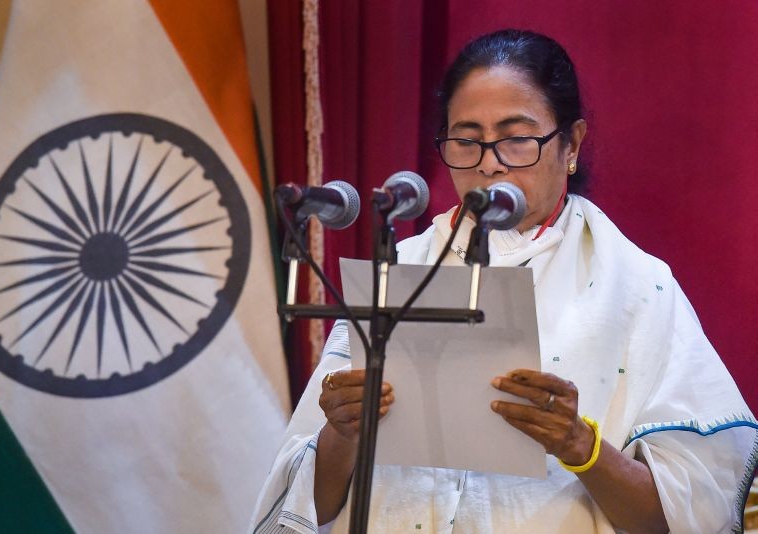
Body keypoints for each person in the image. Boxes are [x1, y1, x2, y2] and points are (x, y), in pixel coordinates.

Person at [251, 29, 757, 533]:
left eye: (516, 139)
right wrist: (343, 433)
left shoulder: (638, 288)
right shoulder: (399, 269)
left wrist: (580, 447)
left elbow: (685, 517)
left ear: (571, 144)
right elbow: (312, 506)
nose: (490, 163)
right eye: (467, 141)